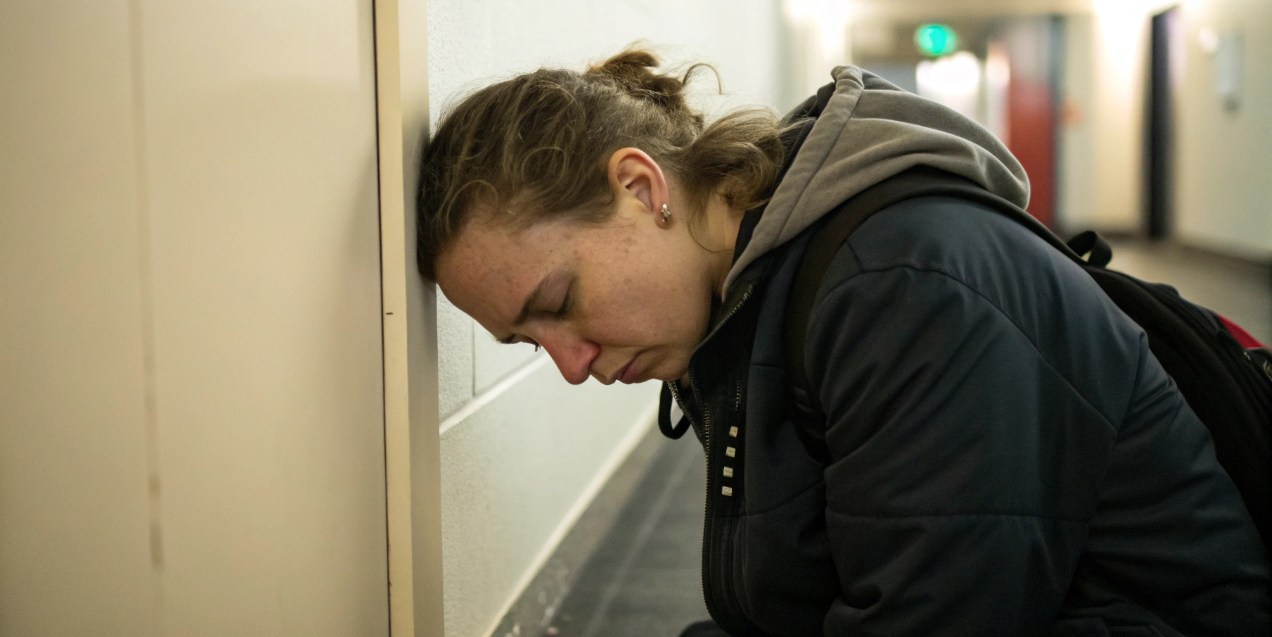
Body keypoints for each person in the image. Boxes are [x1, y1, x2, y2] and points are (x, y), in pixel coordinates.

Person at [416, 49, 1269, 636]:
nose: (572, 365)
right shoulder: (749, 302)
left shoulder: (897, 285)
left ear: (641, 187)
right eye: (529, 342)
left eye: (558, 302)